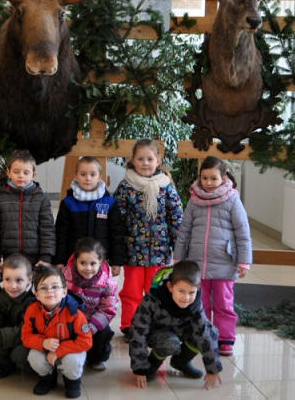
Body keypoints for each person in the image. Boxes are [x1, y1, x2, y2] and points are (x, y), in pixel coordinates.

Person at [174, 156, 252, 356]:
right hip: (197, 265)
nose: (208, 183)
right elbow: (184, 231)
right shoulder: (194, 201)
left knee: (223, 303)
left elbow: (243, 233)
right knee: (200, 303)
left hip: (224, 264)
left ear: (224, 178)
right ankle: (202, 336)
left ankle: (225, 338)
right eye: (205, 178)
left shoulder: (232, 200)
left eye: (213, 178)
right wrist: (178, 258)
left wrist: (244, 261)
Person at [110, 139, 182, 341]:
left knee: (157, 292)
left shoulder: (166, 187)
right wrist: (117, 252)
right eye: (140, 159)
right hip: (133, 252)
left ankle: (156, 325)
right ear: (133, 160)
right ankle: (130, 326)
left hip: (159, 253)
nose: (145, 163)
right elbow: (117, 220)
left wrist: (179, 250)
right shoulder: (126, 187)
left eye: (149, 159)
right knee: (131, 291)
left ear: (158, 161)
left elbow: (176, 219)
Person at [128, 261, 222, 390]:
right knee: (170, 343)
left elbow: (204, 333)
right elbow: (138, 331)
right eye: (181, 291)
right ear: (170, 287)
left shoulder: (195, 305)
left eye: (191, 292)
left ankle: (181, 361)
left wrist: (213, 369)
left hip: (181, 331)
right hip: (158, 334)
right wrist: (140, 367)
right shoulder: (153, 300)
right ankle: (153, 362)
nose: (186, 298)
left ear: (198, 289)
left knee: (209, 332)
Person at [21, 265, 92, 399]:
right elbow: (26, 337)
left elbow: (86, 342)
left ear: (64, 292)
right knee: (34, 356)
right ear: (36, 294)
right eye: (43, 288)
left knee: (72, 361)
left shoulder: (75, 313)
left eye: (55, 287)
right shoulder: (31, 311)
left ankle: (72, 381)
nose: (50, 291)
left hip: (70, 350)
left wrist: (58, 351)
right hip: (46, 348)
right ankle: (48, 378)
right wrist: (42, 343)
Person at [0, 149, 55, 271]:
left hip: (35, 260)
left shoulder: (41, 199)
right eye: (16, 172)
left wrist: (46, 256)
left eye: (26, 172)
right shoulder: (0, 199)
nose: (21, 176)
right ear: (8, 173)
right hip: (9, 258)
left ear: (33, 175)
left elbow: (48, 230)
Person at [62, 237, 118, 371]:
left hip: (94, 321)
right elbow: (60, 301)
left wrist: (91, 326)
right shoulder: (65, 277)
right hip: (72, 319)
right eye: (83, 263)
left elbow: (108, 309)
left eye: (93, 264)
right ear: (75, 261)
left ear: (100, 262)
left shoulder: (107, 283)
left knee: (104, 332)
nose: (88, 268)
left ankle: (97, 358)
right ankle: (68, 354)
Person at [53, 156, 119, 269]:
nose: (88, 178)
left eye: (92, 174)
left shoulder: (109, 203)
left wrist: (116, 261)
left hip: (101, 260)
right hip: (74, 260)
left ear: (100, 177)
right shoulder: (68, 203)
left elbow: (116, 234)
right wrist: (59, 260)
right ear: (76, 176)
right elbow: (61, 234)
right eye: (83, 174)